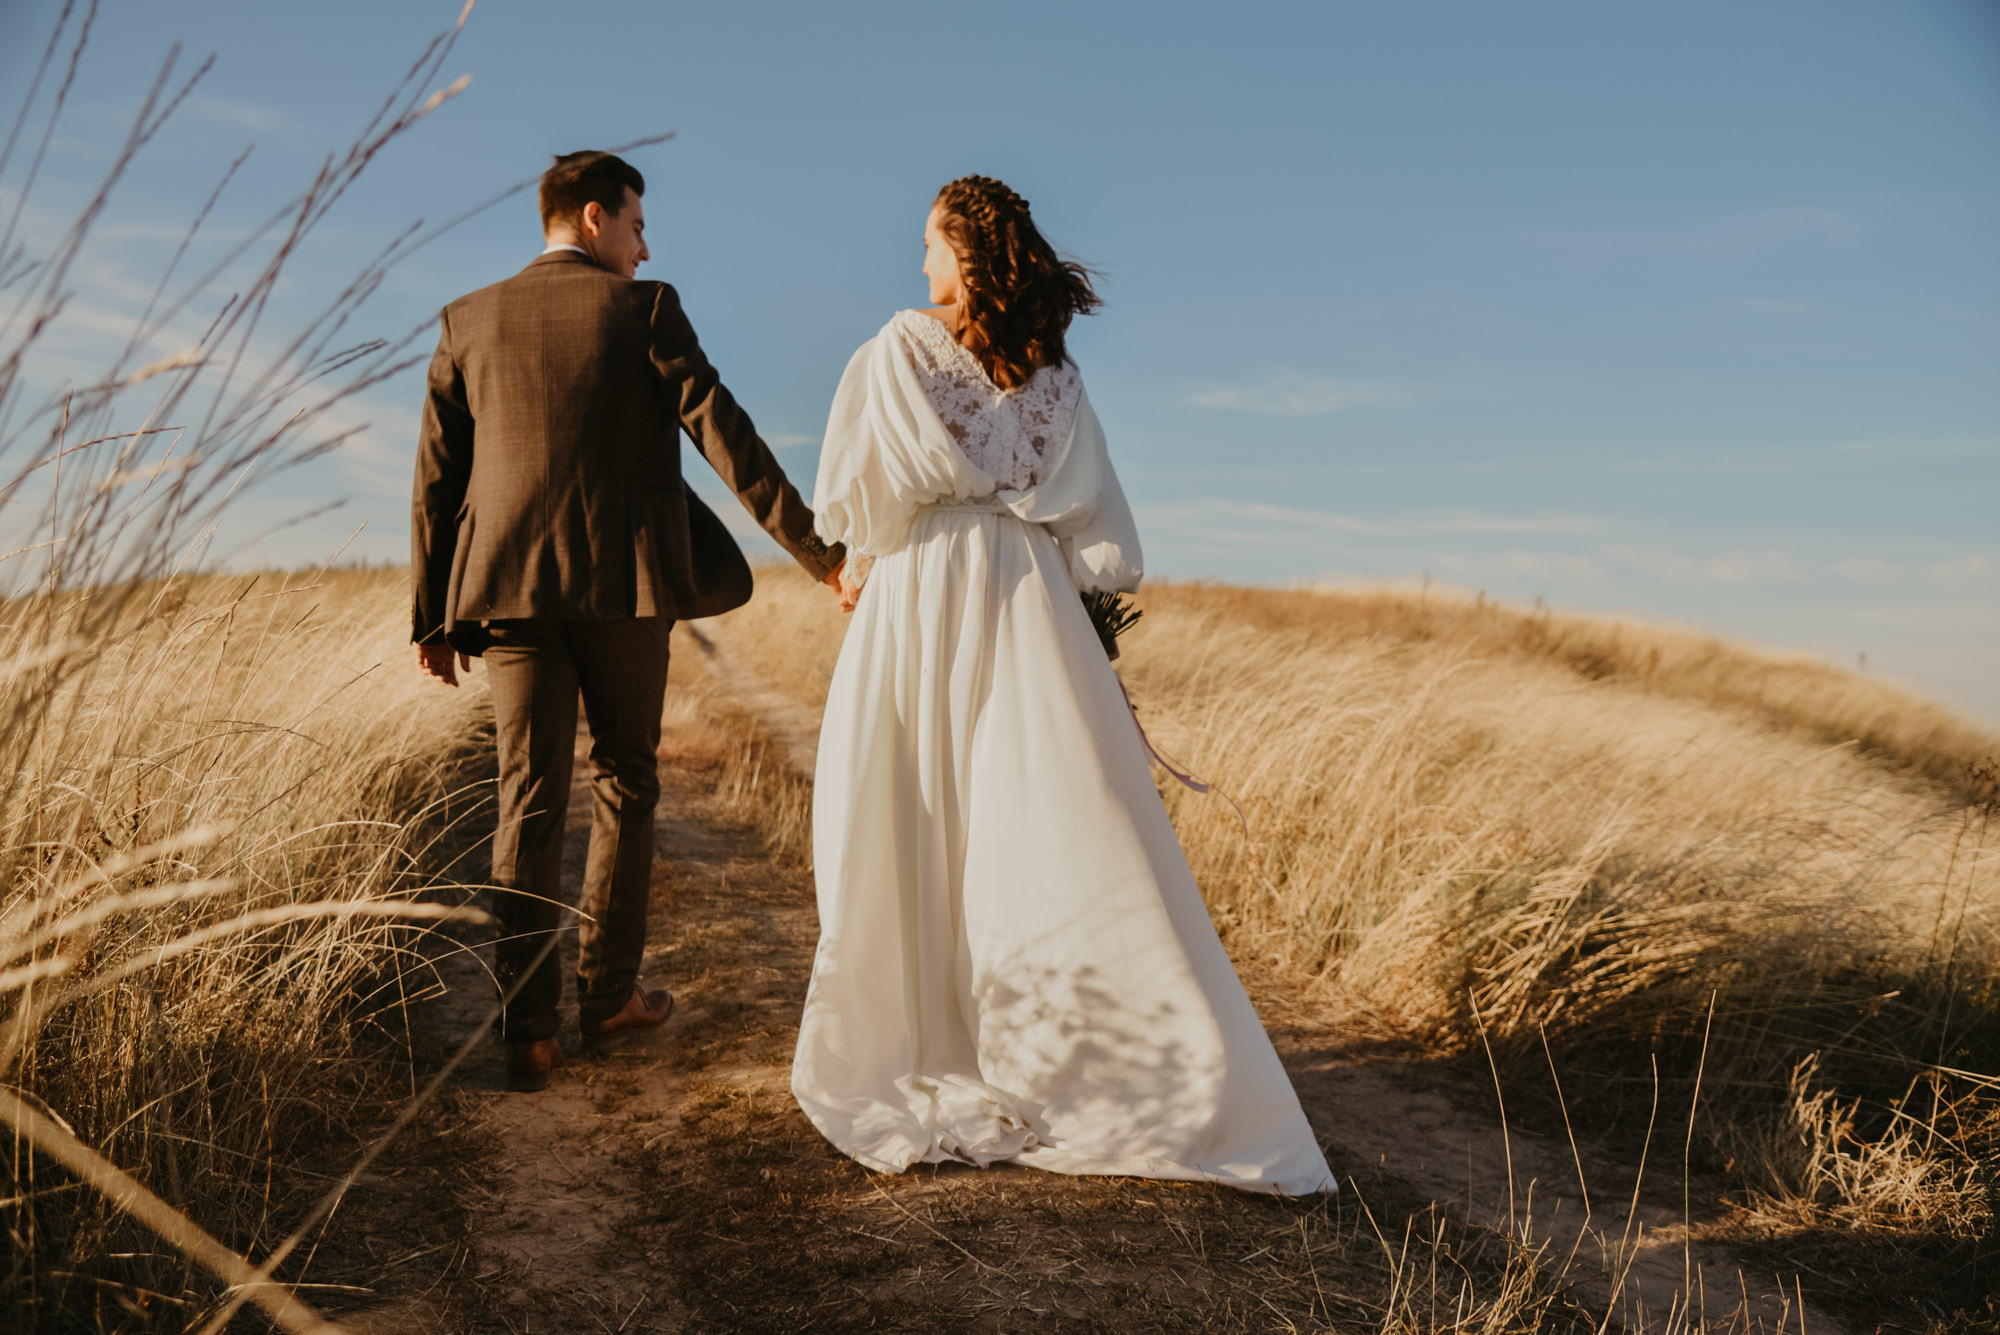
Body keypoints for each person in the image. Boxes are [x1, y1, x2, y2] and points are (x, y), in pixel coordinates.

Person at [793, 176, 1334, 1194]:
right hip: (1026, 598)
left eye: (927, 242)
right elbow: (1097, 536)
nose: (919, 264)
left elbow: (856, 494)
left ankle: (927, 1030)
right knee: (1032, 812)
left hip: (919, 590)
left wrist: (860, 565)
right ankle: (1083, 1044)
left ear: (965, 254)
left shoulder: (898, 346)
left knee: (908, 807)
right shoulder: (1057, 381)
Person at [411, 151, 845, 1092]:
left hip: (509, 595)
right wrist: (819, 553)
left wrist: (432, 618)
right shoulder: (643, 311)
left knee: (526, 796)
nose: (646, 250)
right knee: (625, 780)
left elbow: (437, 480)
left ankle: (528, 1031)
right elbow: (723, 432)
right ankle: (607, 995)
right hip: (625, 586)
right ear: (596, 216)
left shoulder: (467, 318)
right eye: (639, 228)